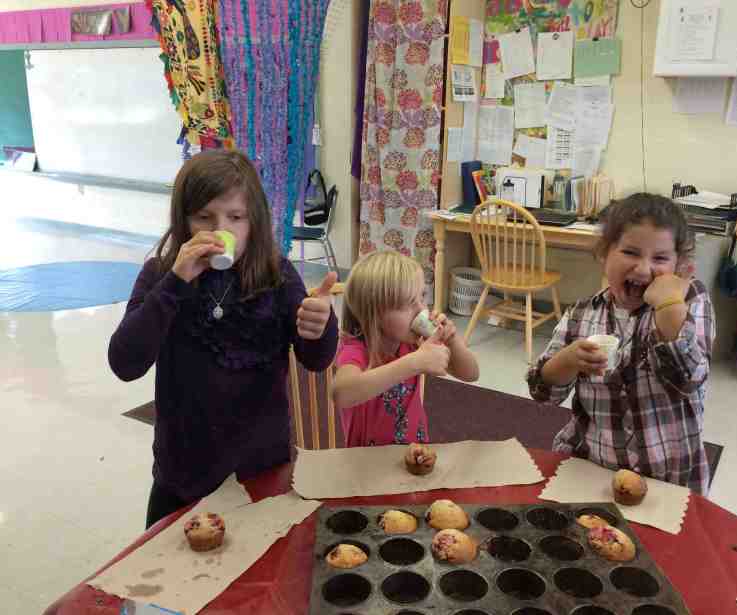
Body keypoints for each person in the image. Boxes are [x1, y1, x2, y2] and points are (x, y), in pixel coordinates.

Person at [108, 150, 338, 528]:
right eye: (204, 218)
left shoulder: (276, 275)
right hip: (182, 472)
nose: (221, 231)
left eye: (235, 217)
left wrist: (320, 327)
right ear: (184, 222)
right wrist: (174, 284)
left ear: (254, 220)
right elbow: (125, 363)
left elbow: (316, 358)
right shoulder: (161, 274)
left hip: (261, 469)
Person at [527, 193, 715, 494]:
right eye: (630, 252)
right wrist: (568, 360)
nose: (643, 269)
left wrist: (669, 306)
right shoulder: (581, 315)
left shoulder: (690, 300)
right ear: (604, 254)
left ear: (680, 265)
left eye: (660, 258)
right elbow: (543, 393)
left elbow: (688, 381)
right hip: (591, 467)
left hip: (668, 476)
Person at [333, 250, 479, 447]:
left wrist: (452, 340)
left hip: (414, 454)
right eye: (408, 304)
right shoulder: (356, 349)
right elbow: (342, 394)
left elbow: (471, 374)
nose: (421, 309)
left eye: (422, 297)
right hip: (366, 464)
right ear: (374, 314)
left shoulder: (412, 342)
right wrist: (415, 362)